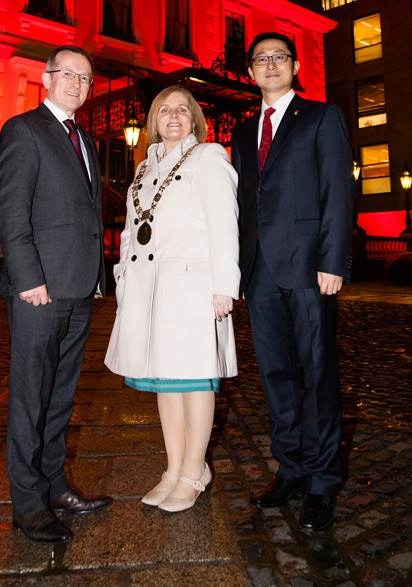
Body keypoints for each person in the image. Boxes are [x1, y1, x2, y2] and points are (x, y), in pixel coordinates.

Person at [232, 32, 354, 532]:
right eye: (261, 59)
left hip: (309, 269)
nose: (270, 65)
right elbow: (242, 202)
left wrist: (333, 261)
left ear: (295, 64)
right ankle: (291, 468)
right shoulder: (242, 131)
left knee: (317, 374)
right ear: (251, 71)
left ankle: (323, 482)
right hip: (259, 271)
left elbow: (338, 191)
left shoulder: (322, 117)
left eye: (279, 57)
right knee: (276, 376)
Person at [0, 46, 112, 544]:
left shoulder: (85, 137)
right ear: (46, 78)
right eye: (69, 74)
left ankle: (56, 485)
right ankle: (27, 505)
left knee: (61, 397)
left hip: (78, 286)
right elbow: (12, 212)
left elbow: (86, 215)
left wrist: (99, 275)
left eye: (86, 79)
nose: (78, 84)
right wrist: (28, 279)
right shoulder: (24, 130)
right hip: (38, 291)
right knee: (30, 399)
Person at [105, 86, 240, 513]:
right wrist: (123, 278)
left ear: (195, 119)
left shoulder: (208, 157)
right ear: (154, 120)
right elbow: (130, 230)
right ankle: (173, 468)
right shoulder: (144, 166)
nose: (174, 115)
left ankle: (194, 470)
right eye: (166, 110)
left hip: (193, 286)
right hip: (150, 288)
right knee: (166, 379)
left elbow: (225, 224)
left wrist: (224, 285)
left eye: (183, 109)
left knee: (196, 378)